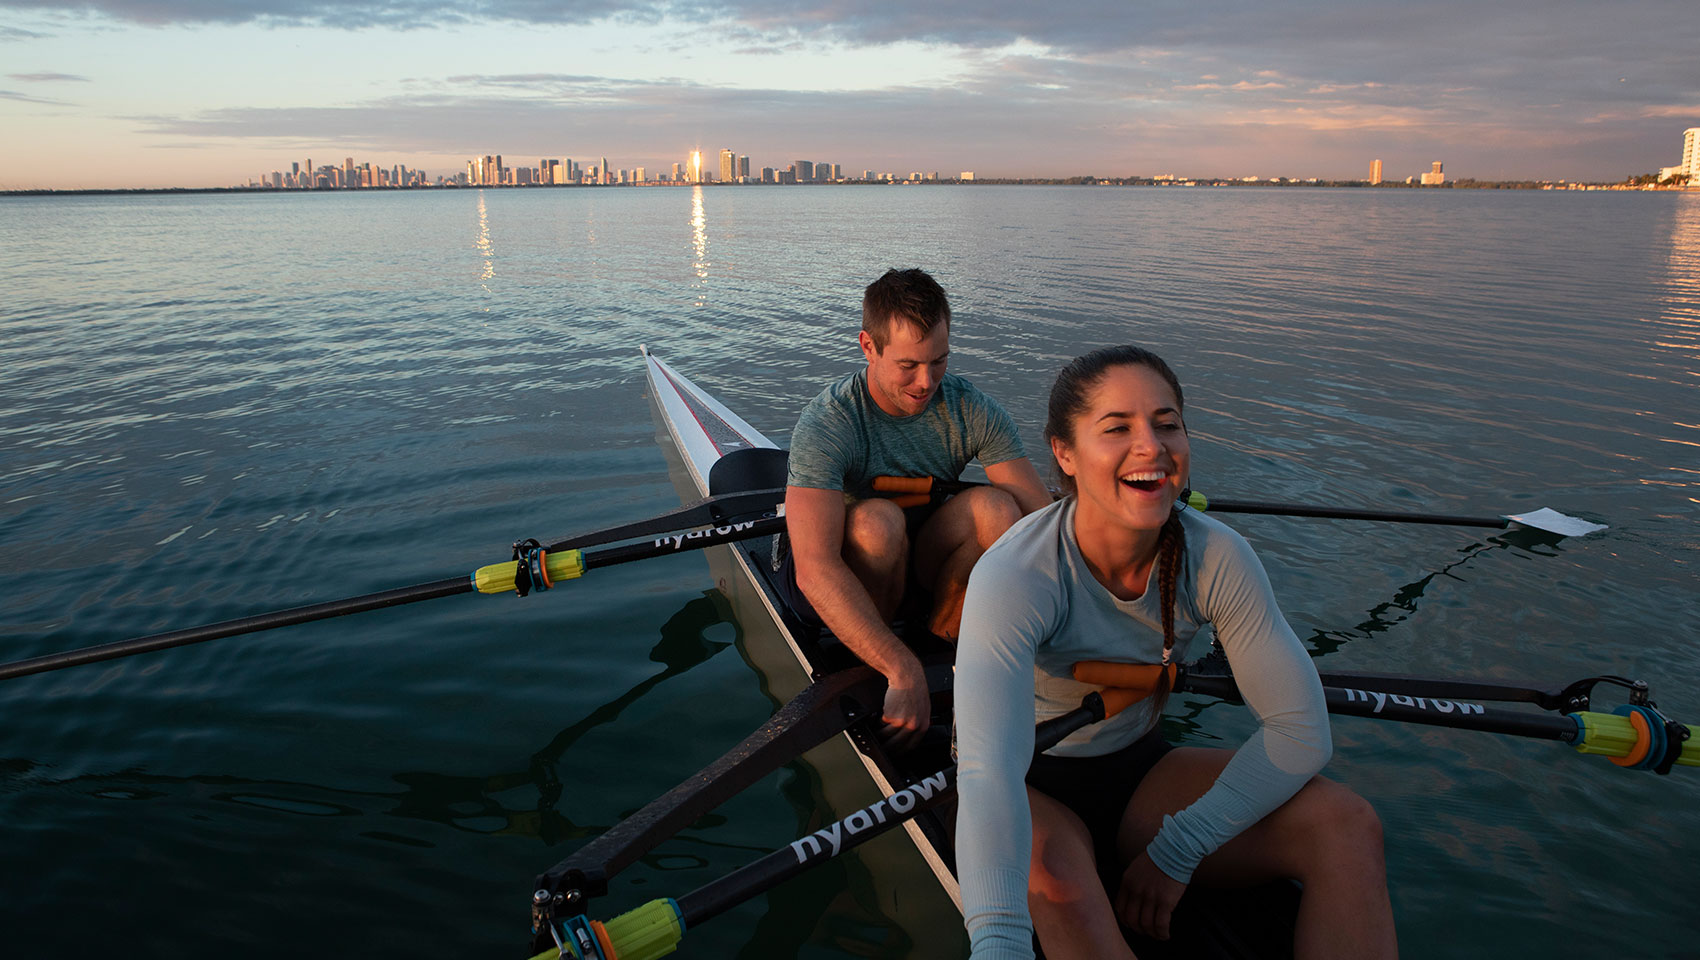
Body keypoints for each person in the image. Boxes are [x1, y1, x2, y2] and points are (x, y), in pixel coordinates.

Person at [954, 346, 1396, 960]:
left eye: (1167, 424)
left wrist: (1179, 847)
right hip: (1026, 783)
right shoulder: (1017, 575)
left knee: (1346, 826)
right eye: (1118, 428)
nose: (1152, 447)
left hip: (1139, 768)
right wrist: (998, 942)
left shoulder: (1216, 555)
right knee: (1062, 890)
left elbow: (1300, 732)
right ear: (1064, 454)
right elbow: (987, 775)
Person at [780, 268, 1052, 752]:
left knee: (998, 508)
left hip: (927, 570)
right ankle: (882, 659)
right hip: (856, 575)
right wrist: (902, 671)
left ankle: (952, 646)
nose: (926, 382)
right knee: (877, 521)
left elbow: (1043, 526)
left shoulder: (971, 408)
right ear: (868, 346)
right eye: (909, 365)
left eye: (939, 361)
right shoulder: (830, 422)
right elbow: (814, 570)